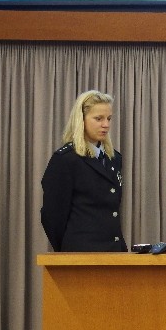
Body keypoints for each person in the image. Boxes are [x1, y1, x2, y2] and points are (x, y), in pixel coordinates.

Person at [41, 90, 127, 252]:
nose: (106, 125)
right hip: (81, 252)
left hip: (114, 251)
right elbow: (52, 215)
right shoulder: (66, 159)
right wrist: (69, 249)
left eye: (109, 118)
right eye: (98, 118)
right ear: (81, 119)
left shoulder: (113, 158)